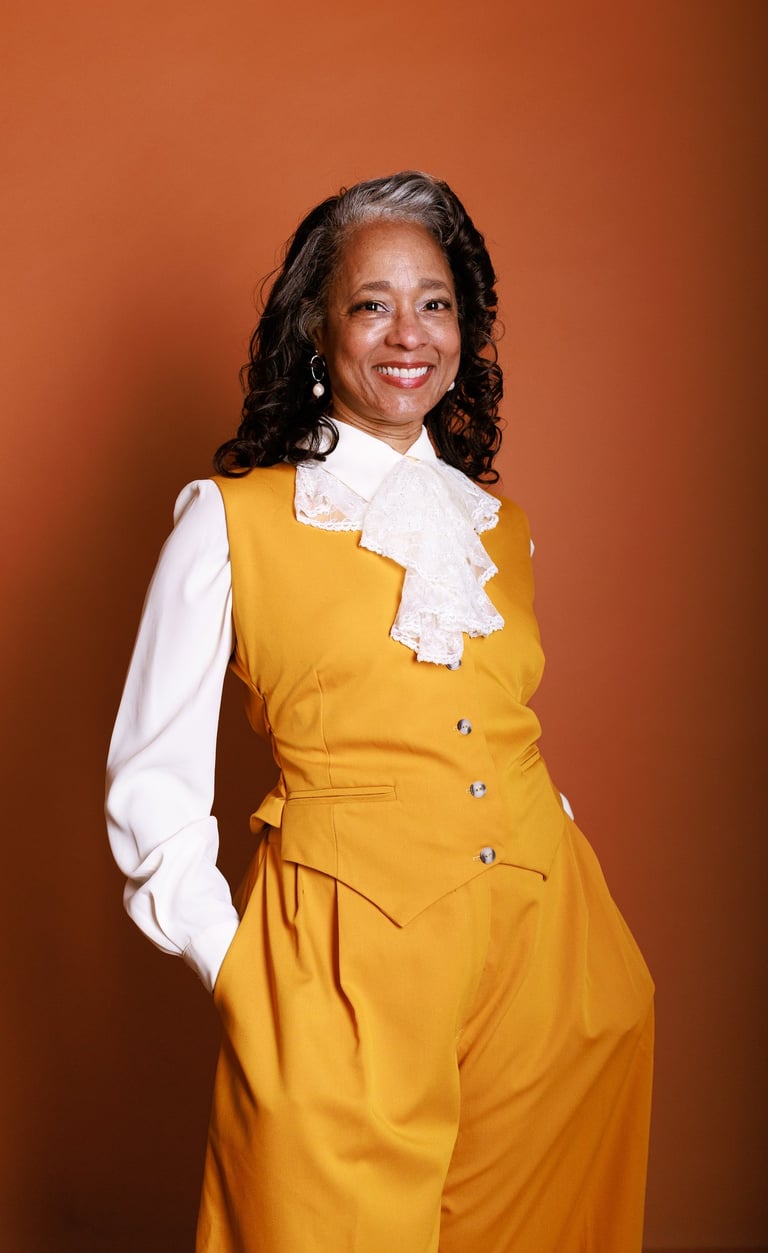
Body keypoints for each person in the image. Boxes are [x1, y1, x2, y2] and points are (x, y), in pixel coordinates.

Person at [106, 171, 654, 1253]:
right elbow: (151, 782)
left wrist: (572, 880)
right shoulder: (230, 520)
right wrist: (237, 969)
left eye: (435, 302)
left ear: (465, 329)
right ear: (318, 328)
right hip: (341, 964)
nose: (410, 333)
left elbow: (493, 723)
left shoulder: (498, 527)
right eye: (373, 303)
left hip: (546, 964)